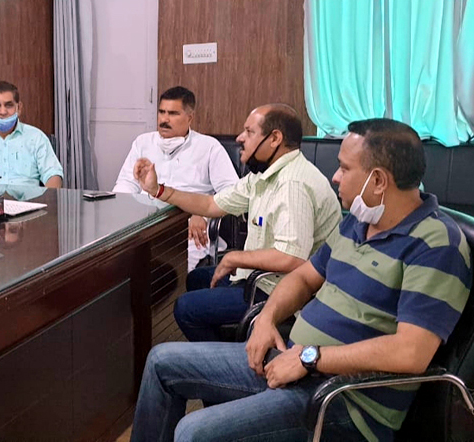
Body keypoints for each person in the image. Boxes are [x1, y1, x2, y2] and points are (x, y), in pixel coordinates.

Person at [130, 118, 471, 442]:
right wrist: (267, 318)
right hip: (293, 361)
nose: (335, 177)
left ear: (379, 180)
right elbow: (304, 277)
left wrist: (310, 358)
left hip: (342, 401)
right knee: (161, 362)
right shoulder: (358, 221)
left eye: (345, 168)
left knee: (193, 432)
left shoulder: (436, 245)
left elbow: (410, 352)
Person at [135, 104, 341, 341]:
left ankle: (230, 358)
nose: (240, 138)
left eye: (249, 132)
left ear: (275, 139)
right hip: (265, 276)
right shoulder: (264, 175)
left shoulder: (292, 185)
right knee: (196, 278)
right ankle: (228, 343)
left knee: (185, 309)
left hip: (284, 291)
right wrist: (158, 190)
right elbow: (211, 205)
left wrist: (236, 258)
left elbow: (291, 258)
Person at [113, 86, 238, 271]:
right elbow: (125, 184)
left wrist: (202, 214)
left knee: (168, 273)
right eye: (162, 112)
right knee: (117, 267)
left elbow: (232, 193)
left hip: (189, 229)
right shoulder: (143, 143)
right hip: (143, 226)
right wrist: (117, 213)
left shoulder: (209, 147)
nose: (164, 119)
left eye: (173, 113)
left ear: (190, 118)